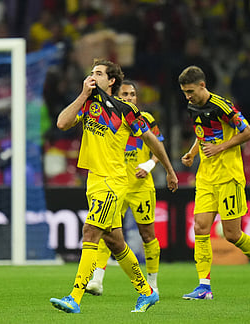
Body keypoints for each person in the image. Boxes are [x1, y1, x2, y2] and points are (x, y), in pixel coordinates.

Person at [49, 59, 178, 313]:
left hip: (113, 180)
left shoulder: (125, 110)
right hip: (94, 180)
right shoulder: (87, 104)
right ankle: (146, 292)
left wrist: (169, 170)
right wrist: (82, 94)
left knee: (90, 232)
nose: (92, 76)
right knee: (115, 241)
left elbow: (152, 140)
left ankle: (75, 297)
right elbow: (62, 123)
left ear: (111, 81)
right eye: (91, 72)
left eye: (98, 73)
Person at [178, 66, 250, 300]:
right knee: (200, 228)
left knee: (232, 235)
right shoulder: (192, 107)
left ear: (202, 85)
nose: (188, 96)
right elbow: (202, 134)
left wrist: (220, 147)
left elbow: (248, 132)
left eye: (190, 91)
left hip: (228, 176)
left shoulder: (223, 106)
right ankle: (204, 286)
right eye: (184, 92)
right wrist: (193, 153)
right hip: (206, 176)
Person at [85, 80, 163, 296]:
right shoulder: (108, 120)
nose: (129, 98)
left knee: (148, 235)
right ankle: (97, 280)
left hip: (141, 187)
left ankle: (152, 283)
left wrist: (150, 164)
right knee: (104, 230)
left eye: (132, 94)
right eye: (125, 94)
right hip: (116, 185)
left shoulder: (145, 119)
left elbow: (158, 146)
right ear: (116, 96)